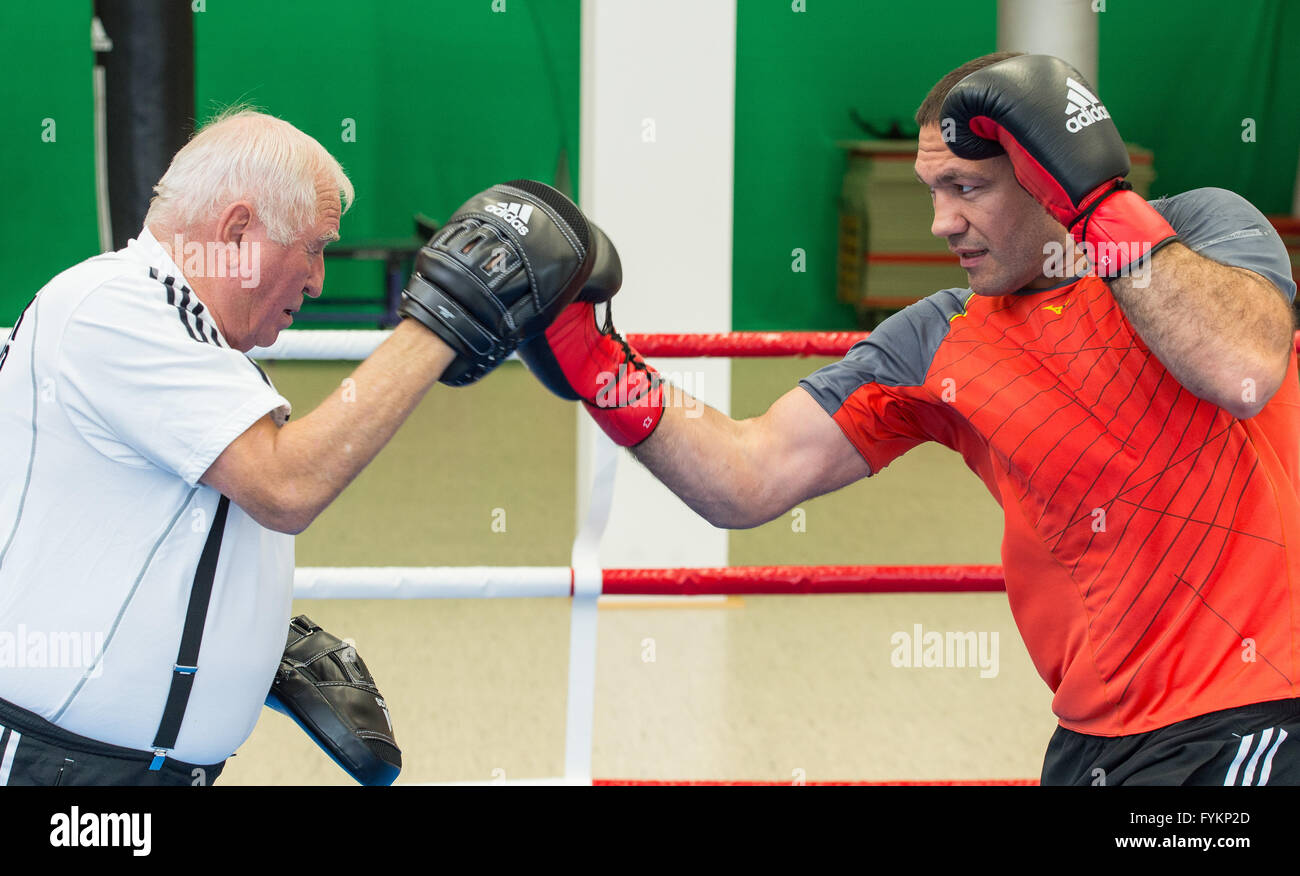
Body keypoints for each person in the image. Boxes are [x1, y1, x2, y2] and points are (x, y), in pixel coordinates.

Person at [518, 52, 1300, 786]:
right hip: (1092, 738)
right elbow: (749, 475)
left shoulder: (1198, 231)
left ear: (1047, 175)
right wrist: (597, 367)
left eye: (966, 188)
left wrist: (1102, 203)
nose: (940, 222)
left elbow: (1243, 368)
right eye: (933, 191)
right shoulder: (939, 334)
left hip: (1254, 715)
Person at [0, 108, 612, 784]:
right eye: (314, 246)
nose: (319, 280)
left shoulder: (199, 346)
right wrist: (446, 318)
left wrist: (249, 636)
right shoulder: (116, 308)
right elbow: (285, 485)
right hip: (60, 771)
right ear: (237, 231)